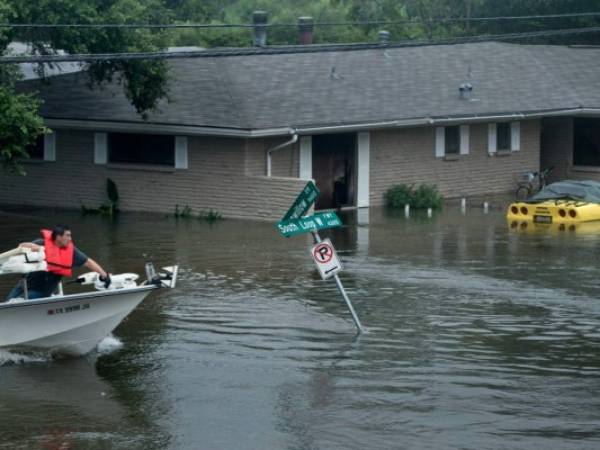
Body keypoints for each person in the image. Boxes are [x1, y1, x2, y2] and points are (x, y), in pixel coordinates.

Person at [5, 225, 110, 301]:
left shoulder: (72, 252)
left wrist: (104, 275)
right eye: (67, 236)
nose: (70, 239)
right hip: (23, 285)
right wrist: (37, 248)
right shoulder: (41, 243)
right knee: (6, 305)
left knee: (15, 303)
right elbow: (21, 246)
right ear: (58, 237)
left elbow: (88, 262)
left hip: (42, 291)